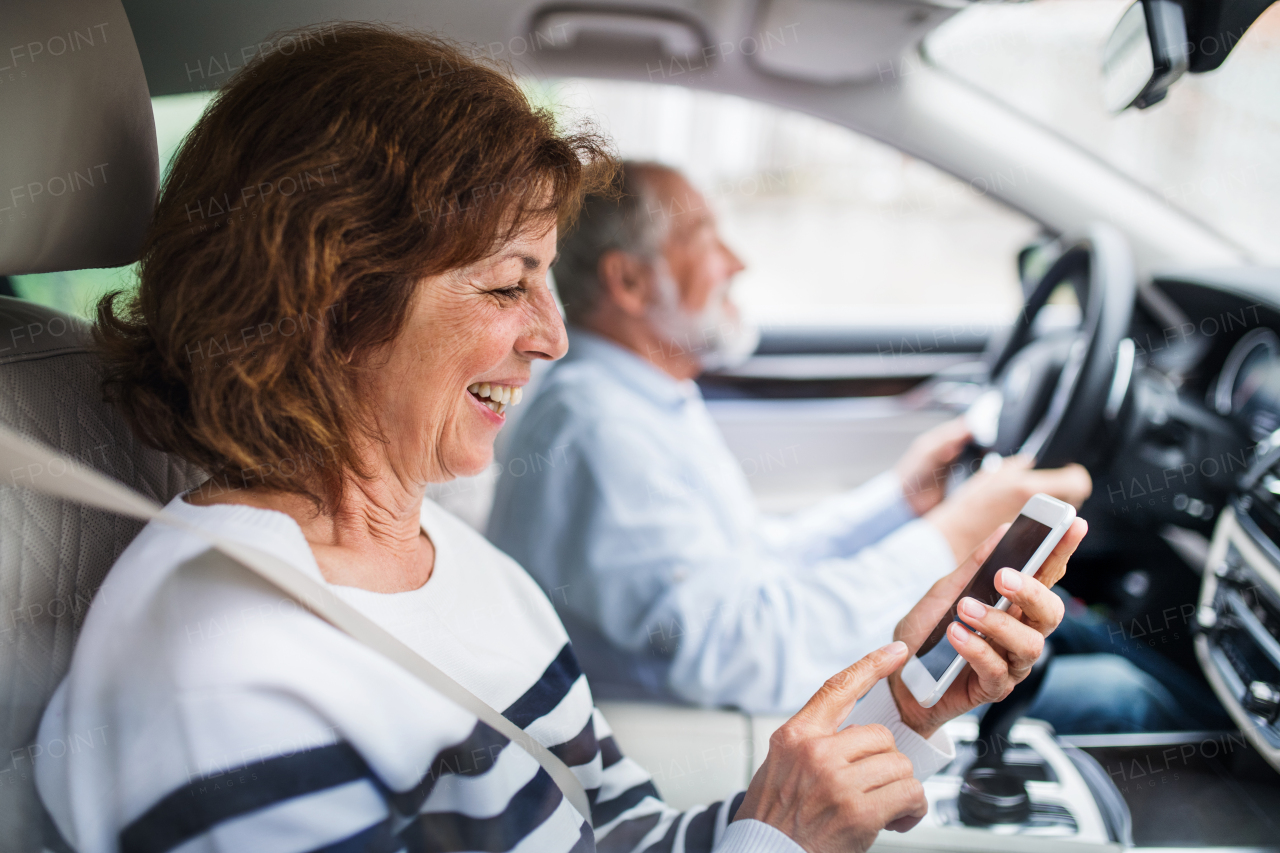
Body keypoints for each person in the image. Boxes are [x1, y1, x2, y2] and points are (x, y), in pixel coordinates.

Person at [34, 26, 1080, 853]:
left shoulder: (460, 567)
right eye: (504, 284)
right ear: (333, 300)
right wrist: (778, 834)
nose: (552, 336)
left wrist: (891, 721)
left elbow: (615, 835)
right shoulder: (222, 675)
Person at [487, 161, 1198, 732]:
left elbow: (750, 566)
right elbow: (743, 646)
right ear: (630, 280)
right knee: (1122, 696)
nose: (738, 260)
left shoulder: (634, 398)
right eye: (706, 236)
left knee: (1076, 640)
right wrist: (955, 532)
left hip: (744, 698)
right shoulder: (600, 430)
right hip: (727, 729)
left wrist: (902, 502)